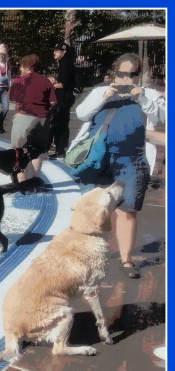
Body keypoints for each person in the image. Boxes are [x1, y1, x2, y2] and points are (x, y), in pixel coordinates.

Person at [71, 53, 165, 278]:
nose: (126, 79)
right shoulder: (99, 92)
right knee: (92, 209)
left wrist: (143, 98)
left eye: (131, 75)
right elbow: (81, 113)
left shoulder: (149, 94)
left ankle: (126, 260)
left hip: (132, 161)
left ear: (138, 75)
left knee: (128, 210)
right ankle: (85, 257)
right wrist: (104, 96)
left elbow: (163, 119)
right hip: (99, 158)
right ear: (115, 73)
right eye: (122, 74)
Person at [8, 54, 57, 181]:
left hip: (24, 117)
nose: (19, 68)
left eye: (21, 66)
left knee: (19, 151)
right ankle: (35, 181)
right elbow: (53, 102)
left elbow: (11, 97)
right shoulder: (46, 81)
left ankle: (23, 183)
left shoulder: (19, 80)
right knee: (39, 150)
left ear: (25, 66)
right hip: (43, 119)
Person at [48, 42, 77, 159]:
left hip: (63, 98)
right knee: (62, 124)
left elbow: (64, 84)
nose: (54, 52)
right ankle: (60, 150)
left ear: (63, 52)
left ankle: (57, 149)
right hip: (65, 98)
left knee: (57, 123)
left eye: (57, 50)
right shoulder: (65, 63)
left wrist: (52, 84)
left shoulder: (65, 64)